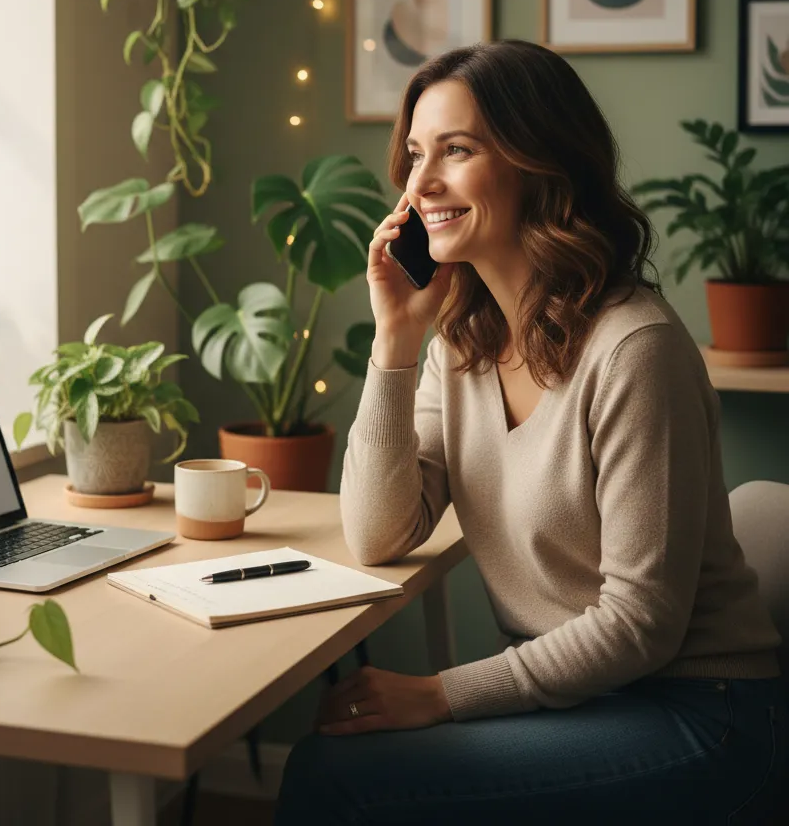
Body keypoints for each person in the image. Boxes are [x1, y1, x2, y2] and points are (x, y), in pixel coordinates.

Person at [274, 40, 787, 825]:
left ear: (538, 164)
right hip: (587, 702)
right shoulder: (462, 344)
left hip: (699, 716)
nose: (421, 184)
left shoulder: (634, 350)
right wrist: (395, 341)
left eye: (457, 150)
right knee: (337, 760)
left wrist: (443, 694)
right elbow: (378, 534)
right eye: (415, 154)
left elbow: (641, 624)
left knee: (332, 776)